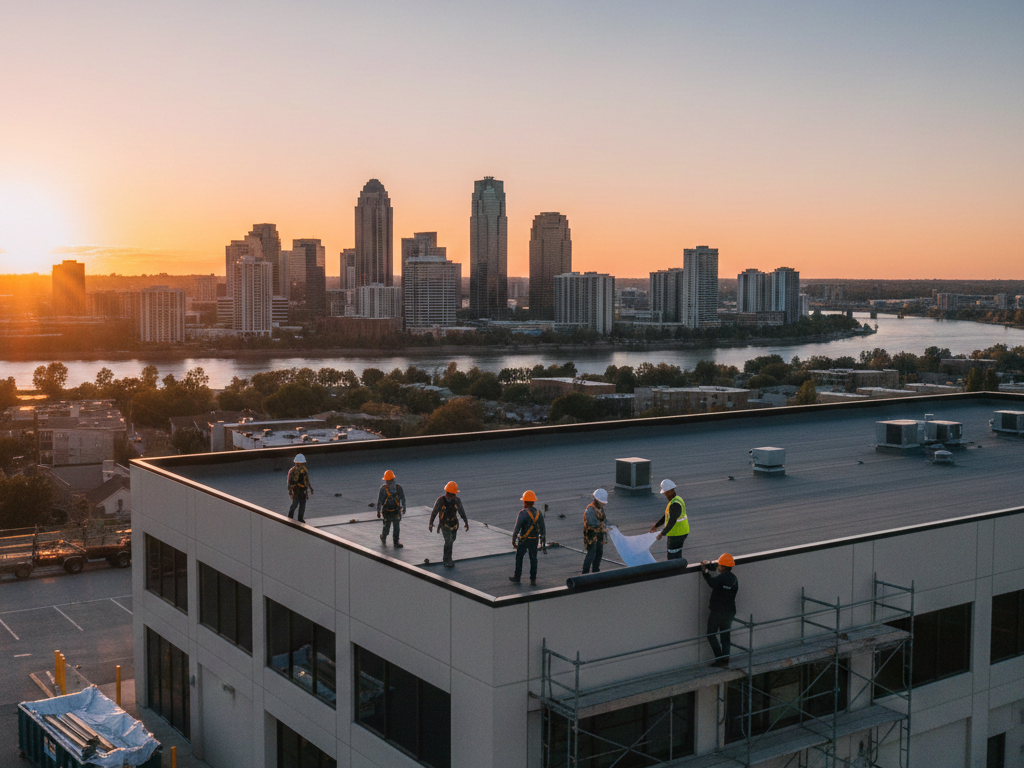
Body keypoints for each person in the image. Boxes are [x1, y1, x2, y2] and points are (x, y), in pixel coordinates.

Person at [701, 554, 738, 667]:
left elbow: (713, 583)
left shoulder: (721, 578)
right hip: (729, 611)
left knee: (711, 634)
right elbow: (720, 581)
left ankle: (719, 659)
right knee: (725, 636)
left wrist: (705, 571)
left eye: (719, 565)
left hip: (717, 612)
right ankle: (725, 659)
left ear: (722, 567)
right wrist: (712, 568)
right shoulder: (734, 579)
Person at [428, 481, 468, 567]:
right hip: (444, 524)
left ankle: (448, 558)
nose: (454, 496)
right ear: (448, 493)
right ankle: (446, 559)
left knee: (452, 540)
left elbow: (461, 512)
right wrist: (431, 523)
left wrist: (466, 522)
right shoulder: (440, 501)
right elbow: (434, 512)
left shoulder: (457, 501)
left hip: (454, 524)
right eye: (453, 494)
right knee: (448, 541)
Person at [510, 490, 546, 585]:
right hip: (534, 540)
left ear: (525, 502)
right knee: (533, 559)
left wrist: (513, 541)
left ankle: (517, 577)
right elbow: (543, 530)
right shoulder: (539, 513)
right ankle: (533, 580)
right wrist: (543, 543)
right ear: (533, 502)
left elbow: (516, 528)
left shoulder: (522, 513)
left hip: (524, 540)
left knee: (519, 557)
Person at [648, 479, 688, 559]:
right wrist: (656, 525)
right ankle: (677, 567)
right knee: (676, 552)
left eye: (666, 493)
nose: (665, 495)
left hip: (677, 533)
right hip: (679, 532)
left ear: (671, 491)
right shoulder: (675, 500)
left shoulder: (675, 504)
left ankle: (675, 569)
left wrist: (662, 533)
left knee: (672, 555)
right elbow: (666, 516)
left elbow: (672, 521)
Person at [376, 469, 406, 548]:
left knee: (396, 527)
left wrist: (404, 507)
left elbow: (403, 498)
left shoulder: (398, 488)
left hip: (396, 511)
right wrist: (378, 511)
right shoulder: (383, 489)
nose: (388, 483)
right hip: (387, 512)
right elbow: (379, 501)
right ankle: (384, 537)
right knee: (387, 527)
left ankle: (396, 542)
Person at [582, 489, 610, 574]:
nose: (602, 504)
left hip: (600, 534)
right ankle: (585, 572)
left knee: (599, 552)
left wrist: (610, 526)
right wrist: (603, 526)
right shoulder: (590, 509)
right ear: (596, 500)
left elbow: (604, 520)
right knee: (591, 553)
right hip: (591, 535)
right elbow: (592, 523)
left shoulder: (600, 509)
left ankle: (596, 570)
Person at [286, 454, 313, 523]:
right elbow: (289, 481)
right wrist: (290, 491)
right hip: (296, 490)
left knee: (302, 505)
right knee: (295, 504)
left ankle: (300, 518)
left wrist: (310, 487)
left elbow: (307, 479)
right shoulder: (293, 471)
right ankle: (290, 517)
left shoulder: (304, 470)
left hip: (303, 490)